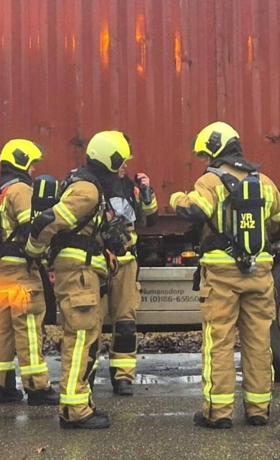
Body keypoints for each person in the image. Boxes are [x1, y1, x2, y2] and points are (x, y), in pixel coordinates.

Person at [169, 121, 280, 429]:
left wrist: (176, 199)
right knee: (259, 342)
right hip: (260, 272)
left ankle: (218, 413)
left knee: (219, 341)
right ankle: (259, 409)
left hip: (222, 273)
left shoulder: (211, 181)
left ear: (213, 150)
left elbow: (194, 211)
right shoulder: (263, 181)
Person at [25, 130, 132, 430]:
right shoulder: (88, 191)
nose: (123, 168)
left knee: (86, 340)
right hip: (79, 275)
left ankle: (80, 403)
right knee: (80, 340)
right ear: (109, 160)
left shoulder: (88, 185)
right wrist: (33, 251)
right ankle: (74, 411)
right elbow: (49, 221)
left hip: (84, 273)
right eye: (121, 161)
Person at [0, 139, 60, 406]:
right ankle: (37, 388)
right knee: (28, 326)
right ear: (22, 162)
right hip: (20, 271)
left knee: (0, 329)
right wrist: (43, 258)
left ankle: (2, 386)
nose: (33, 171)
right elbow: (34, 228)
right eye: (31, 165)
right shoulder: (20, 190)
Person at [100, 159, 158, 395]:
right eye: (121, 162)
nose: (125, 166)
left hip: (126, 263)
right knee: (90, 325)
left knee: (125, 324)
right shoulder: (93, 186)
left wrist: (146, 192)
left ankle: (123, 377)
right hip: (100, 262)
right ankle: (86, 374)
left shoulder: (130, 188)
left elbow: (149, 219)